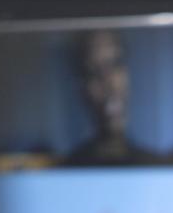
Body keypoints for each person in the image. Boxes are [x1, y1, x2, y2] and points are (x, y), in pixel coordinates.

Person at [60, 29, 161, 168]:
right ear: (81, 88)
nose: (109, 83)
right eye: (93, 72)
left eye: (115, 64)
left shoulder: (155, 168)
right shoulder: (69, 171)